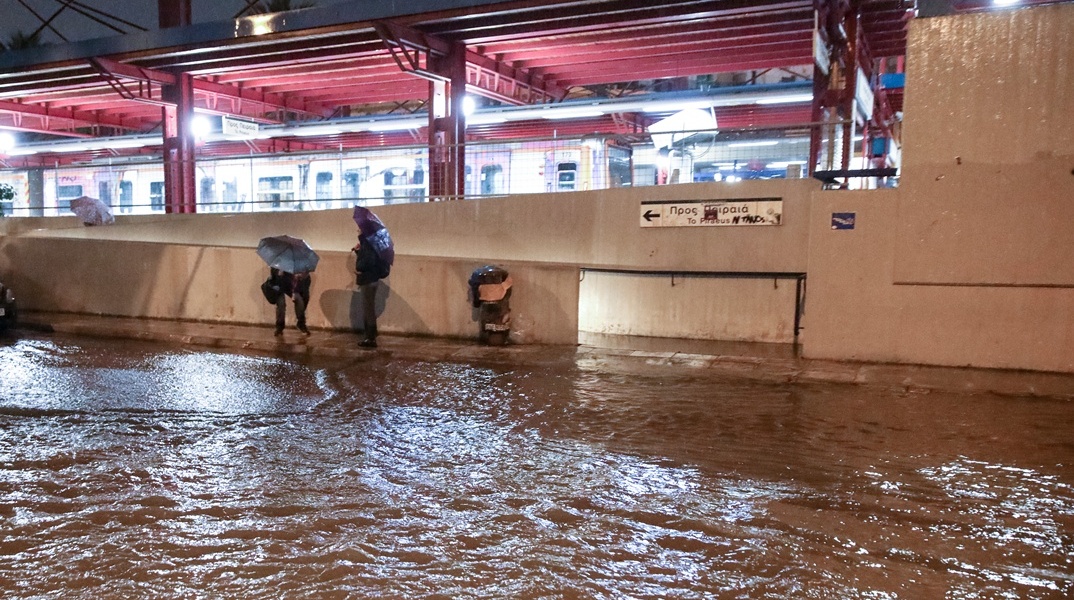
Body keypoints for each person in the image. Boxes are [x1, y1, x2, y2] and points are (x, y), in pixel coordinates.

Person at [353, 235, 384, 348]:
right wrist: (359, 252)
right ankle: (371, 334)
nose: (359, 230)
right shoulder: (373, 241)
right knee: (369, 308)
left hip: (368, 279)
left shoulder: (368, 242)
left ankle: (370, 338)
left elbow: (368, 261)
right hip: (373, 278)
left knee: (368, 309)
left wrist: (359, 269)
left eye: (360, 228)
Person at [271, 268, 311, 336]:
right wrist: (279, 274)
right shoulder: (278, 262)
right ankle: (279, 327)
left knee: (300, 300)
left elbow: (305, 283)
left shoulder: (299, 263)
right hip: (279, 284)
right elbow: (274, 278)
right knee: (281, 304)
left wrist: (301, 277)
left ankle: (301, 324)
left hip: (292, 285)